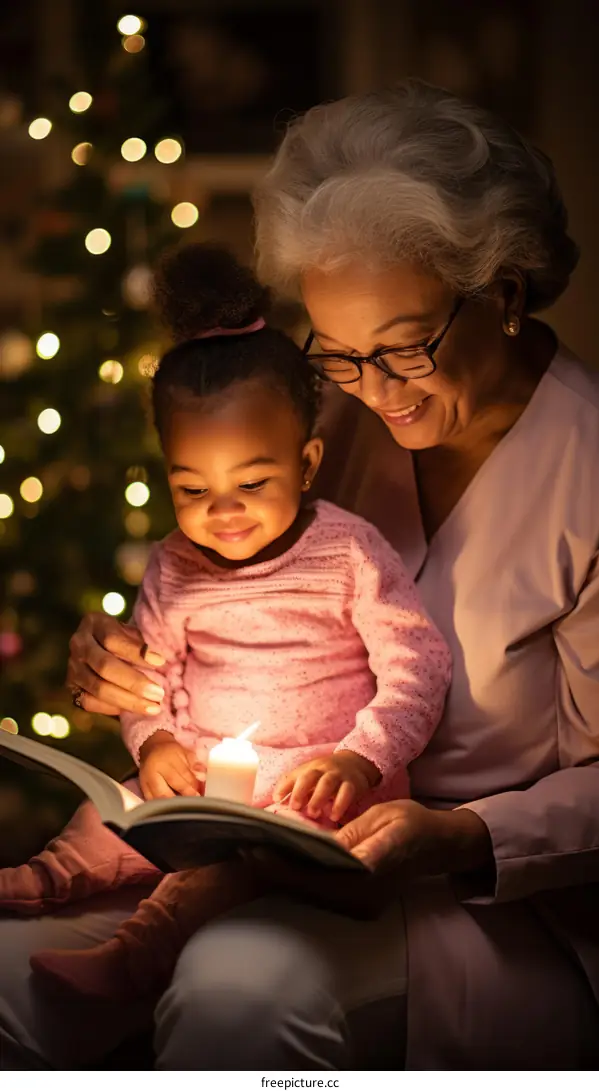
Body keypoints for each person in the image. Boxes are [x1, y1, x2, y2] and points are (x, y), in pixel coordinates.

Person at [1, 77, 599, 1070]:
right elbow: (217, 583)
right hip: (253, 845)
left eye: (404, 348)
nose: (372, 392)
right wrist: (128, 664)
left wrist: (453, 833)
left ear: (501, 293)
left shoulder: (585, 469)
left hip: (480, 904)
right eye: (340, 354)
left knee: (234, 985)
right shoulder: (332, 422)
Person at [0, 247, 449, 1026]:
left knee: (222, 869)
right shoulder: (173, 566)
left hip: (317, 795)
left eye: (251, 482)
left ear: (307, 463)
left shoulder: (347, 554)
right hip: (203, 782)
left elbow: (419, 668)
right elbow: (151, 675)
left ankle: (136, 954)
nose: (224, 510)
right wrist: (154, 742)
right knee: (111, 820)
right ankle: (41, 877)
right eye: (191, 488)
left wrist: (361, 756)